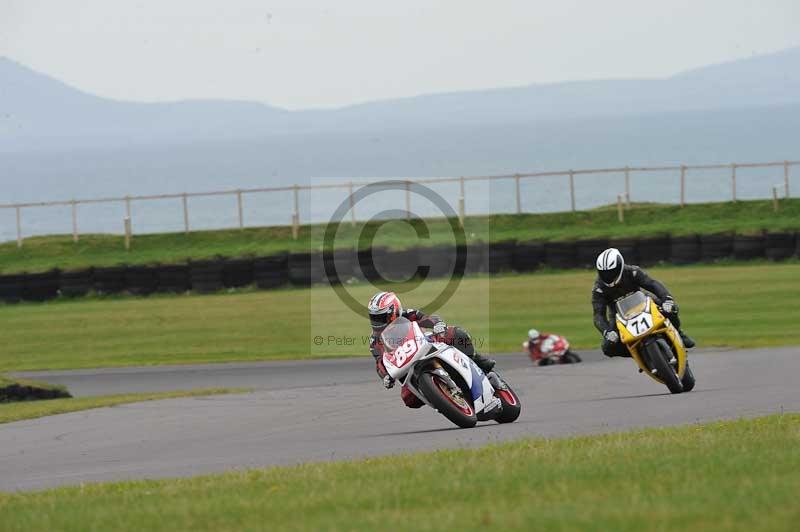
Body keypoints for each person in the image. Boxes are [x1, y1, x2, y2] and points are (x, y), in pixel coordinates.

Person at [367, 291, 496, 408]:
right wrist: (385, 376)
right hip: (406, 366)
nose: (377, 321)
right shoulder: (375, 339)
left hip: (426, 345)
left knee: (457, 334)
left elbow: (428, 319)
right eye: (374, 317)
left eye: (381, 317)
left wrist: (438, 324)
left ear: (394, 311)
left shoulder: (408, 314)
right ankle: (442, 399)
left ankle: (479, 362)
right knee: (409, 400)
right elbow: (380, 362)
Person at [593, 248, 695, 358]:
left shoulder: (633, 272)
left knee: (671, 308)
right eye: (604, 273)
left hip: (644, 303)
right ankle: (640, 354)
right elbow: (598, 315)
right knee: (607, 348)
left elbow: (653, 284)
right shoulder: (599, 288)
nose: (608, 276)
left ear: (620, 266)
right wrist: (607, 332)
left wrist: (667, 299)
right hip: (618, 316)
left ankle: (678, 332)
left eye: (612, 272)